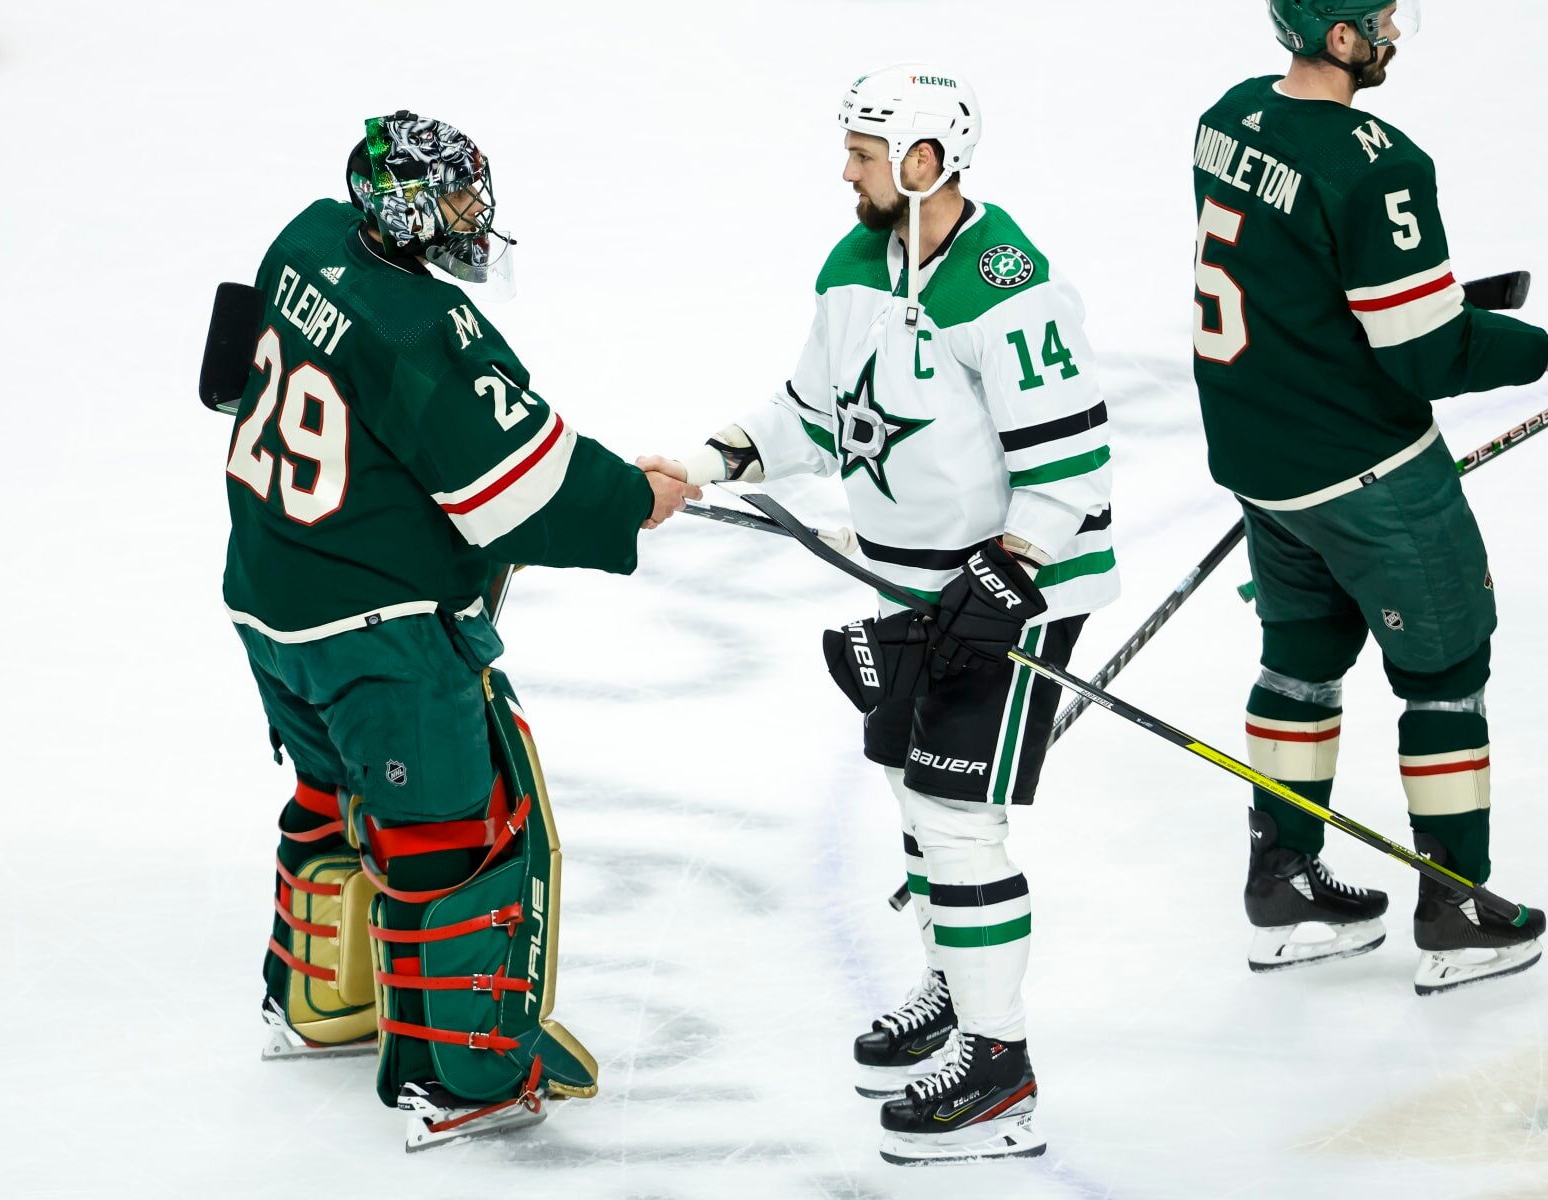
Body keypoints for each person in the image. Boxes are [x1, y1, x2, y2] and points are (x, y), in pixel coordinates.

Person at [640, 64, 1117, 1165]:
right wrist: (712, 463)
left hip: (1010, 598)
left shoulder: (1009, 282)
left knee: (957, 823)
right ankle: (956, 988)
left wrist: (1012, 573)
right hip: (908, 591)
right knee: (916, 800)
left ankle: (999, 1071)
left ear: (926, 161)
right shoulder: (855, 264)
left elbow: (1073, 457)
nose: (844, 170)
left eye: (863, 152)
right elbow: (813, 413)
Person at [215, 109, 698, 1150]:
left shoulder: (303, 236)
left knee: (329, 789)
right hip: (376, 634)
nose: (473, 216)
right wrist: (632, 499)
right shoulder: (424, 331)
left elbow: (227, 369)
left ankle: (317, 1005)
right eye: (455, 197)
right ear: (403, 205)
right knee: (460, 831)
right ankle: (464, 1078)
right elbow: (517, 493)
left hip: (266, 597)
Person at [1192, 2, 1547, 993]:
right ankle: (1459, 907)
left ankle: (1282, 885)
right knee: (1445, 671)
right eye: (1380, 20)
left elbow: (1285, 278)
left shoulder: (1227, 118)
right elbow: (1429, 353)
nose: (1393, 34)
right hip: (1370, 472)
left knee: (1300, 662)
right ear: (1339, 36)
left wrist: (1424, 293)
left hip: (1263, 462)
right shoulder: (1378, 160)